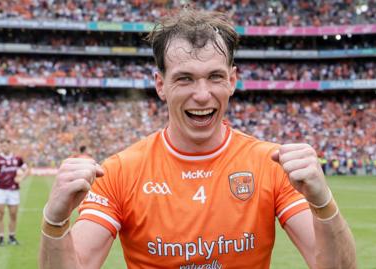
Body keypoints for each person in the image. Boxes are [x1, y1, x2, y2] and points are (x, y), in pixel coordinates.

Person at [39, 9, 356, 269]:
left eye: (215, 77)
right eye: (185, 79)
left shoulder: (271, 164)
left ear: (232, 81)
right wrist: (55, 222)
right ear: (161, 85)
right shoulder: (119, 172)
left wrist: (322, 202)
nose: (202, 95)